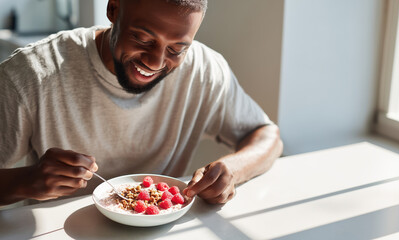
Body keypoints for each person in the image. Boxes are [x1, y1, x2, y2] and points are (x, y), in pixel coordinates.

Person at [0, 0, 283, 206]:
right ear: (113, 9)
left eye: (176, 49)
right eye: (143, 38)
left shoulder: (204, 69)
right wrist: (26, 181)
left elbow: (267, 135)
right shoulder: (31, 74)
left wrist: (234, 169)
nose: (155, 62)